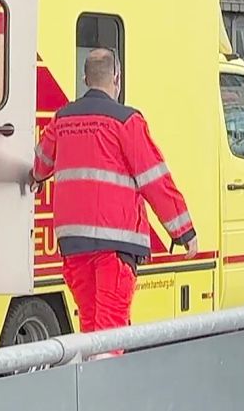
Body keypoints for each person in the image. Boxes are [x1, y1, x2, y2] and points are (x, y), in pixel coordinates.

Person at [29, 49, 198, 355]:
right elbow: (155, 179)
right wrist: (183, 230)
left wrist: (37, 179)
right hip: (115, 246)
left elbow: (40, 163)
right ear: (117, 79)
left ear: (85, 79)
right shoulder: (126, 121)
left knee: (91, 329)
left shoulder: (63, 119)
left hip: (74, 245)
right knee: (110, 333)